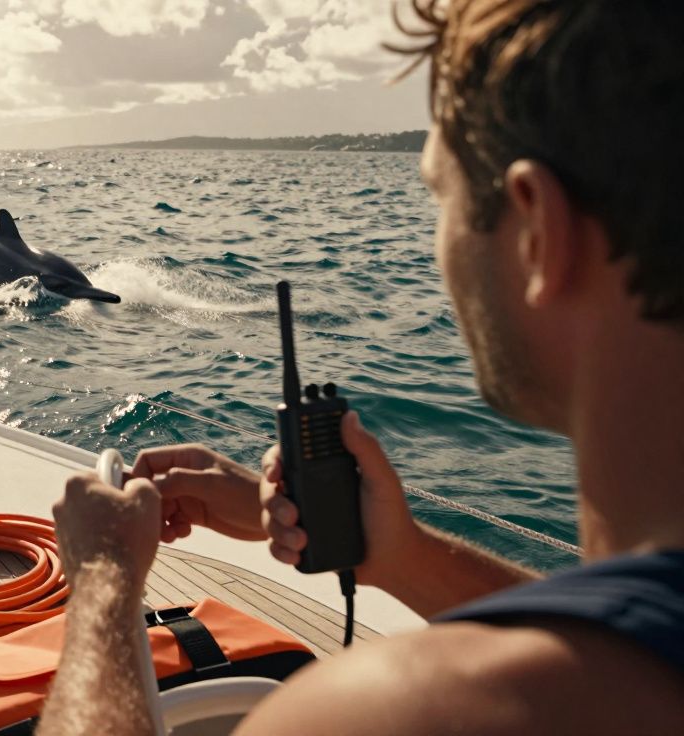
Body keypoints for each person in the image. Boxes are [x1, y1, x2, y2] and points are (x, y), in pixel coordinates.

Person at [38, 0, 684, 733]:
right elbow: (627, 632)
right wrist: (395, 555)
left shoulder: (400, 710)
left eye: (439, 194)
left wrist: (102, 585)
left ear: (537, 231)